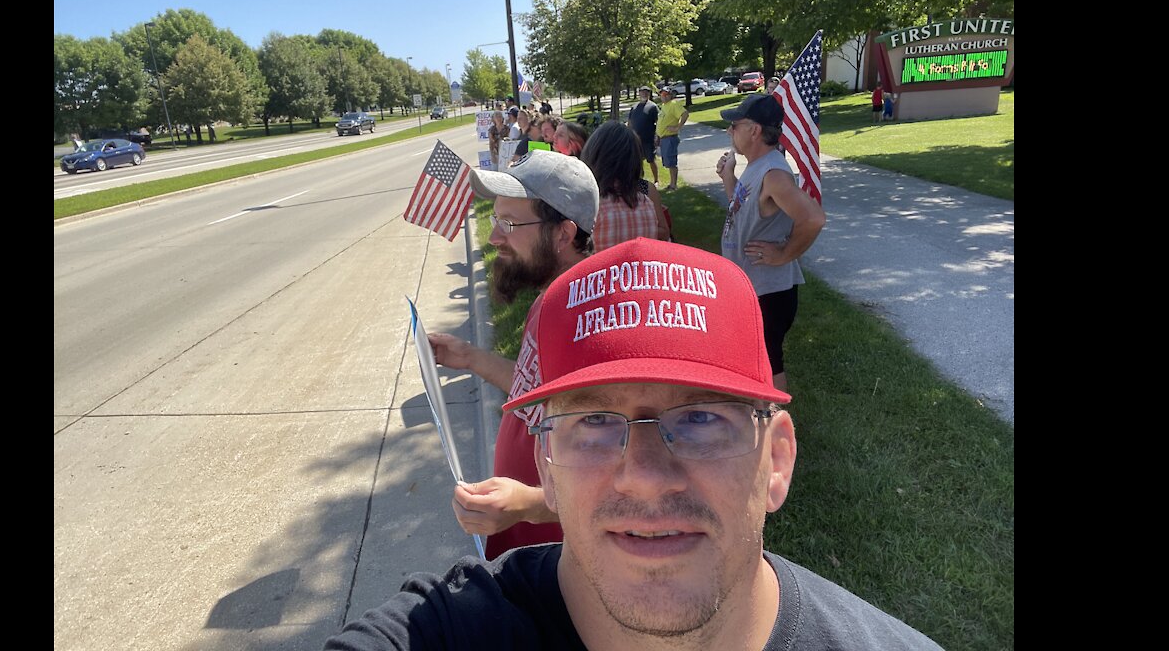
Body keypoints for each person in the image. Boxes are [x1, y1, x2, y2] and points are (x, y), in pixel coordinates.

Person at [325, 239, 943, 651]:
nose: (645, 477)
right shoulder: (445, 632)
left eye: (701, 418)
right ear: (545, 461)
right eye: (593, 421)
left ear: (777, 459)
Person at [428, 150, 599, 560]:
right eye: (495, 219)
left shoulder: (586, 318)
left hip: (555, 558)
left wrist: (528, 505)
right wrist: (468, 357)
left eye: (508, 224)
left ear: (563, 233)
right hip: (525, 539)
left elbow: (607, 474)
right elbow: (536, 393)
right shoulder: (553, 298)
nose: (493, 237)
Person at [715, 95, 826, 395]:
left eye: (734, 125)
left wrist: (784, 254)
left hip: (770, 291)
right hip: (755, 286)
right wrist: (729, 178)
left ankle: (774, 424)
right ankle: (760, 415)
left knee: (770, 360)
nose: (729, 132)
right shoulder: (757, 166)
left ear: (754, 130)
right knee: (757, 358)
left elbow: (813, 219)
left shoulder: (774, 174)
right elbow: (741, 208)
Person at [581, 120, 670, 250]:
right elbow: (662, 235)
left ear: (594, 155)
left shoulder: (591, 204)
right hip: (639, 268)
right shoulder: (646, 203)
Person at [656, 87, 689, 191]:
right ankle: (671, 184)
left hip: (670, 138)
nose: (663, 96)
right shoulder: (664, 106)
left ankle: (673, 185)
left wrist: (678, 127)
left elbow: (685, 114)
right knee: (668, 162)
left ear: (670, 95)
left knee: (671, 162)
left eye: (666, 94)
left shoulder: (674, 104)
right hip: (663, 138)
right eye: (661, 94)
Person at [627, 86, 661, 184]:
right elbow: (629, 122)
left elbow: (658, 122)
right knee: (637, 161)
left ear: (649, 94)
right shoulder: (634, 107)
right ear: (639, 93)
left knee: (651, 160)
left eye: (646, 92)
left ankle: (656, 180)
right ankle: (640, 180)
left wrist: (657, 136)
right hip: (636, 140)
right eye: (642, 92)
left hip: (648, 139)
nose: (644, 94)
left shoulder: (653, 106)